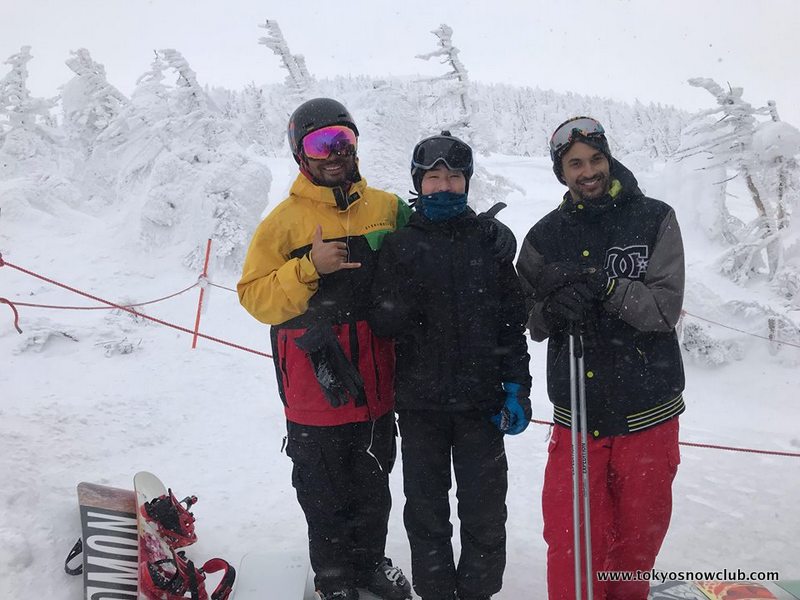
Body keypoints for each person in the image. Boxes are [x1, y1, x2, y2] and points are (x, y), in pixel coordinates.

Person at [237, 98, 413, 600]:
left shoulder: (386, 209)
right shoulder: (284, 222)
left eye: (343, 140)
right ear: (301, 154)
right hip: (314, 383)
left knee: (374, 482)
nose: (335, 153)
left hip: (375, 382)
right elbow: (254, 297)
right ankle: (334, 579)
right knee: (322, 490)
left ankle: (370, 563)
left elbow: (426, 249)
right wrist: (308, 268)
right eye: (320, 144)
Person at [516, 116, 685, 600]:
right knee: (571, 544)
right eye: (575, 164)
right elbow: (528, 318)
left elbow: (664, 310)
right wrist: (550, 309)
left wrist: (608, 287)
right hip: (578, 415)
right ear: (561, 172)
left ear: (608, 159)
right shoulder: (544, 236)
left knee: (635, 544)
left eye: (595, 159)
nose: (587, 171)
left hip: (647, 411)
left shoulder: (654, 218)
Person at [370, 131, 532, 600]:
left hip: (482, 405)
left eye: (455, 177)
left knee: (485, 510)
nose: (444, 186)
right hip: (420, 407)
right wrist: (405, 292)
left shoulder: (488, 242)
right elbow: (382, 323)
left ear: (467, 181)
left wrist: (516, 387)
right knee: (425, 512)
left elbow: (511, 323)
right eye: (433, 177)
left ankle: (478, 591)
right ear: (418, 183)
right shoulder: (400, 245)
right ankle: (436, 591)